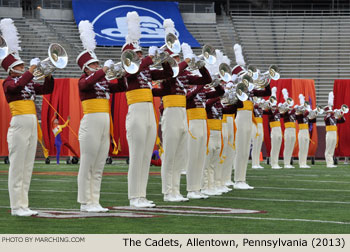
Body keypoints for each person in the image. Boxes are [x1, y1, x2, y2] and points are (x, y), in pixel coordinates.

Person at [1, 18, 54, 216]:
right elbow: (17, 86)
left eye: (24, 66)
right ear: (11, 69)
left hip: (31, 123)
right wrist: (30, 72)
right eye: (21, 66)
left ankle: (24, 204)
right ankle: (16, 206)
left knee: (27, 165)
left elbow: (46, 90)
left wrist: (48, 75)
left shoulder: (27, 82)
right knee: (17, 166)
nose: (24, 68)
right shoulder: (8, 82)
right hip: (19, 124)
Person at [122, 11, 174, 208]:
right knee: (137, 156)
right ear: (129, 56)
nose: (141, 56)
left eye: (142, 53)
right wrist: (150, 57)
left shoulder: (145, 69)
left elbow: (168, 73)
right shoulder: (129, 68)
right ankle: (134, 196)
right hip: (136, 110)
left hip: (148, 111)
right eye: (138, 53)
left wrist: (167, 58)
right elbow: (135, 68)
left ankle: (141, 195)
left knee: (145, 155)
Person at [152, 39, 211, 202]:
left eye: (178, 58)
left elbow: (206, 80)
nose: (177, 61)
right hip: (170, 114)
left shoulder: (184, 74)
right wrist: (186, 60)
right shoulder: (169, 74)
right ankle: (167, 192)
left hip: (182, 114)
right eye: (175, 58)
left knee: (180, 156)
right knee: (170, 155)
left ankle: (176, 190)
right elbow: (173, 72)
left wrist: (200, 65)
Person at [76, 20, 126, 212]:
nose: (97, 66)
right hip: (90, 123)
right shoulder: (83, 81)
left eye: (97, 63)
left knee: (98, 166)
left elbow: (120, 87)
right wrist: (103, 70)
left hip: (105, 123)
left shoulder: (102, 82)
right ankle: (84, 201)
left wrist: (121, 74)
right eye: (94, 64)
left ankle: (94, 200)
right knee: (87, 163)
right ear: (86, 68)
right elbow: (87, 84)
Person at [232, 44, 271, 189]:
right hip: (241, 117)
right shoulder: (239, 89)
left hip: (248, 118)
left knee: (245, 148)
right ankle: (238, 179)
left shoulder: (250, 91)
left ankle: (241, 179)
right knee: (241, 148)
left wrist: (265, 80)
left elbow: (267, 93)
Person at [324, 92, 346, 168]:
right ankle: (329, 163)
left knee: (332, 148)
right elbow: (328, 117)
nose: (331, 111)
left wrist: (341, 115)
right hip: (329, 133)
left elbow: (342, 121)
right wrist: (334, 113)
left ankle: (331, 163)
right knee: (329, 148)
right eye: (330, 110)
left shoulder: (333, 117)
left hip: (334, 133)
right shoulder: (327, 117)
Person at [263, 87, 282, 169]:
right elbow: (263, 110)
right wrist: (267, 104)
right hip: (274, 129)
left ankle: (276, 162)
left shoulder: (277, 110)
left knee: (278, 146)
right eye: (272, 100)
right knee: (274, 147)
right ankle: (273, 163)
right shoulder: (269, 110)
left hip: (279, 128)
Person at [295, 94, 316, 168]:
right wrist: (307, 110)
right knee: (302, 148)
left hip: (306, 131)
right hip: (301, 131)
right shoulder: (299, 114)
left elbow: (313, 121)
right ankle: (301, 163)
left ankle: (304, 163)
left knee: (306, 147)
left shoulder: (306, 115)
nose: (304, 109)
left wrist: (313, 113)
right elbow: (299, 116)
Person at [280, 89, 296, 168]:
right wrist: (285, 105)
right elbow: (281, 113)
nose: (289, 103)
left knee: (291, 146)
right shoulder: (285, 111)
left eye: (290, 102)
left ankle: (288, 162)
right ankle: (286, 163)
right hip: (288, 129)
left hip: (293, 129)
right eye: (288, 101)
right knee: (287, 146)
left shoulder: (293, 111)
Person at [251, 97, 264, 169]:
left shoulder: (259, 107)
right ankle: (254, 163)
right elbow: (253, 107)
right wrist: (257, 104)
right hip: (254, 123)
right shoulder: (253, 106)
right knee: (255, 144)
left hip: (260, 124)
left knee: (259, 144)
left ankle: (257, 162)